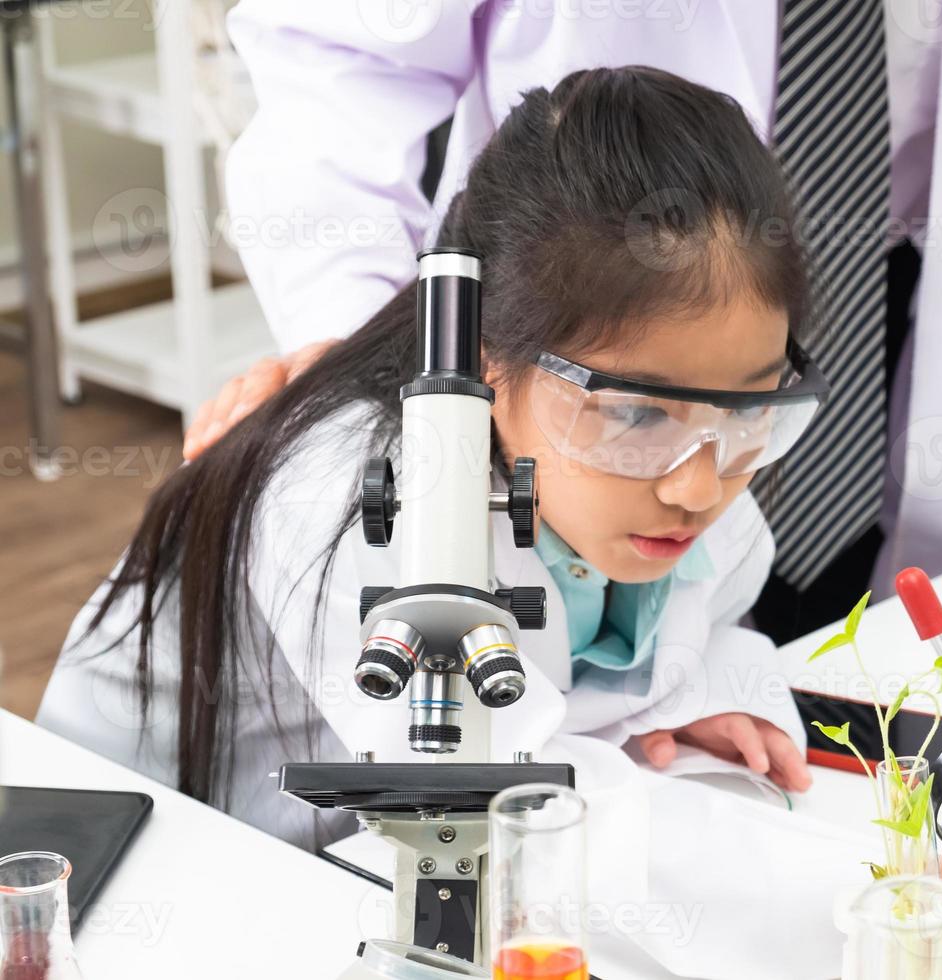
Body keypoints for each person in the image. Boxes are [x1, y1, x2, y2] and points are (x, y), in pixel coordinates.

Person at [38, 68, 878, 979]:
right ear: (486, 358)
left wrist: (703, 688)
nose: (700, 485)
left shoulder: (689, 450)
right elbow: (514, 805)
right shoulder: (349, 494)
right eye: (639, 417)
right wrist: (863, 906)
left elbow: (708, 624)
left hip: (368, 869)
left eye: (752, 413)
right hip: (144, 880)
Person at [191, 0, 942, 643]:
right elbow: (341, 58)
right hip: (583, 335)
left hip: (900, 297)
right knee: (554, 654)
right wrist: (376, 356)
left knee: (823, 668)